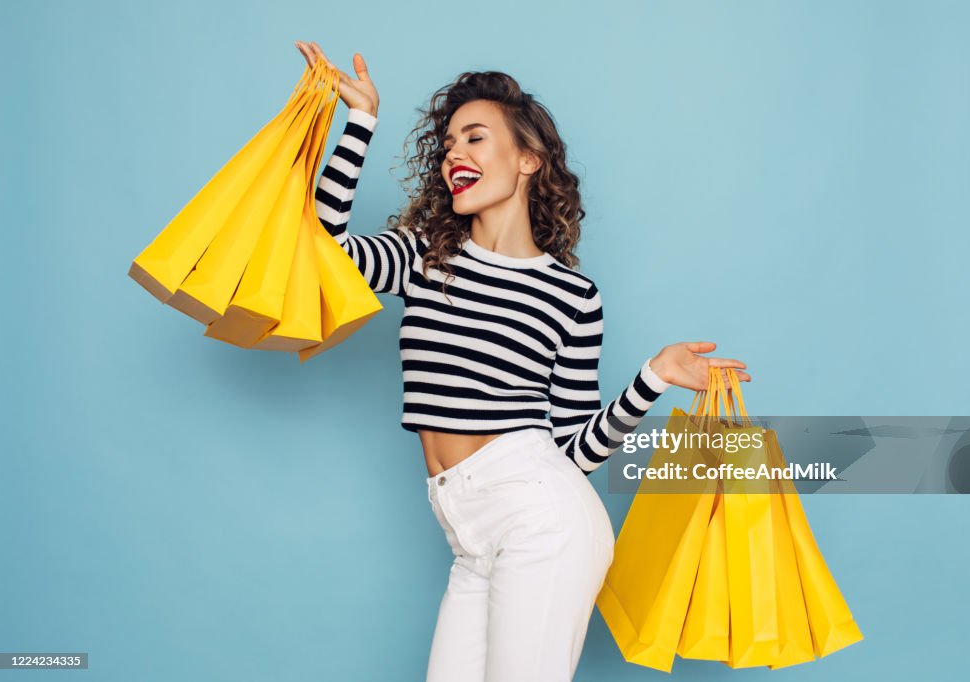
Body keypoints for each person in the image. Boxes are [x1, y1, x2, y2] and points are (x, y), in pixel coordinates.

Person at [295, 41, 751, 682]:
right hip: (466, 534)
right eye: (450, 142)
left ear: (528, 159)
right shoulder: (425, 259)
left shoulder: (573, 296)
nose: (455, 151)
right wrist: (360, 120)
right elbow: (323, 249)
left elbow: (571, 451)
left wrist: (653, 378)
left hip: (541, 516)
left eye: (476, 137)